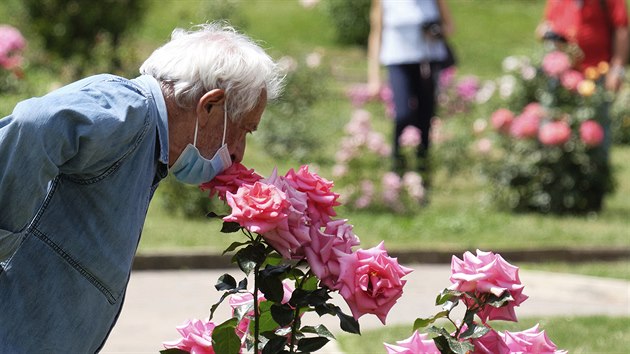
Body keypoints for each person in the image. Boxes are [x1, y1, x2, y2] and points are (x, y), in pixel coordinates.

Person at [0, 23, 283, 353]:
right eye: (244, 129)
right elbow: (35, 122)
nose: (238, 153)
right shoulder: (129, 111)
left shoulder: (148, 138)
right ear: (209, 106)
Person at [367, 0, 454, 177]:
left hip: (427, 61)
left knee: (425, 117)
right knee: (402, 115)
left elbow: (450, 26)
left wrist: (436, 31)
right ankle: (397, 167)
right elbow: (376, 33)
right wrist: (373, 77)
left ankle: (423, 171)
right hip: (398, 60)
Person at [537, 0, 628, 154]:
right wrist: (546, 33)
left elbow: (622, 30)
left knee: (595, 126)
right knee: (553, 120)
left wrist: (617, 68)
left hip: (596, 72)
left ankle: (597, 171)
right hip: (561, 73)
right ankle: (553, 166)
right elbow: (546, 24)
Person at [538, 0, 628, 92]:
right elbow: (548, 23)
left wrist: (617, 69)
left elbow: (621, 29)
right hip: (565, 76)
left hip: (599, 72)